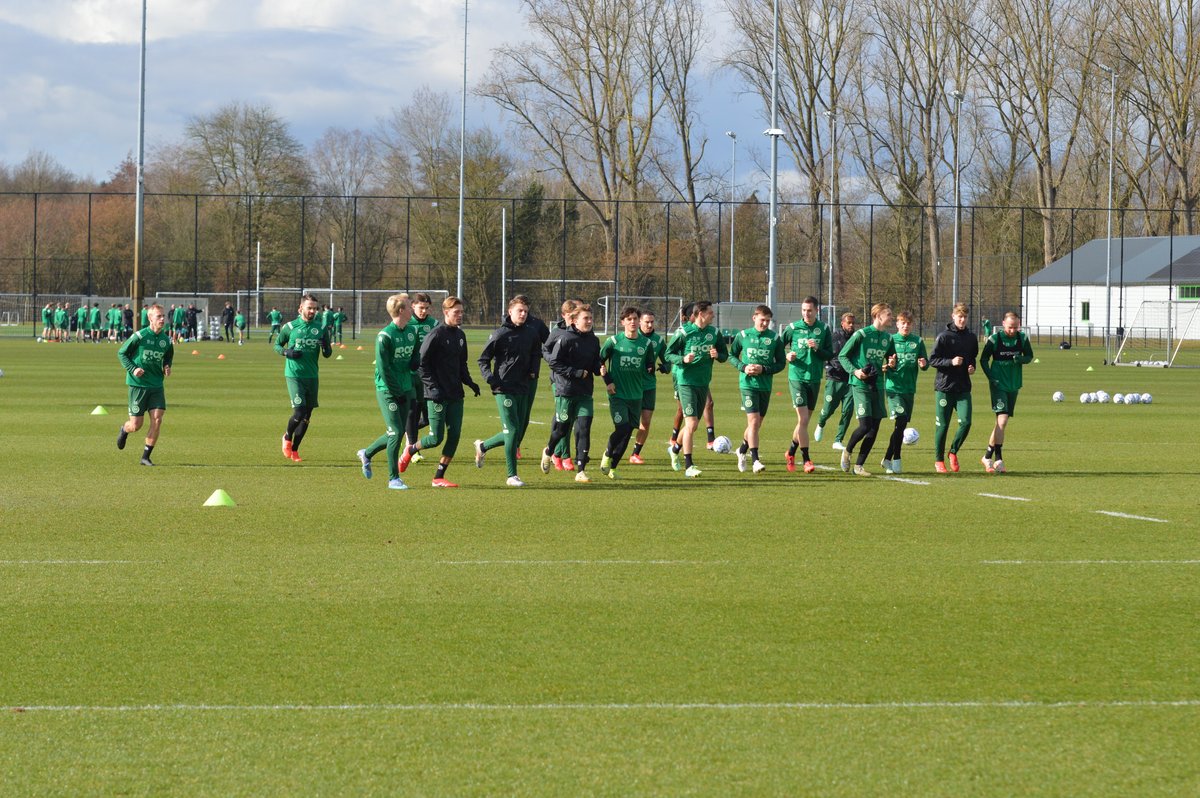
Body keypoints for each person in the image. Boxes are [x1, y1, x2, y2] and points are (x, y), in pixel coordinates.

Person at [399, 297, 480, 487]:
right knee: (436, 438)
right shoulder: (435, 335)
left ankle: (438, 477)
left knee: (455, 436)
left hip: (456, 395)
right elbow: (421, 365)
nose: (460, 315)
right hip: (436, 395)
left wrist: (470, 383)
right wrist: (433, 387)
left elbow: (462, 364)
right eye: (456, 312)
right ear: (446, 313)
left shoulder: (460, 336)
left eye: (461, 312)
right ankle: (410, 450)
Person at [476, 296, 541, 487]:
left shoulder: (531, 333)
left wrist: (533, 372)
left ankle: (483, 446)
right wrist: (491, 379)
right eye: (520, 310)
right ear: (510, 311)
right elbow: (483, 360)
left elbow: (537, 353)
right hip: (503, 388)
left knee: (517, 432)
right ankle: (512, 475)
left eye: (526, 312)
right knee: (512, 430)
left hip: (523, 387)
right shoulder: (499, 334)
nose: (523, 314)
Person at [357, 293, 416, 490]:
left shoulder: (411, 332)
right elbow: (384, 369)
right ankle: (393, 478)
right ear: (401, 310)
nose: (413, 308)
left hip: (406, 388)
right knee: (397, 431)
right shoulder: (385, 336)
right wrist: (396, 391)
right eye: (410, 305)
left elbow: (414, 361)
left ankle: (367, 454)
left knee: (395, 434)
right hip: (388, 390)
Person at [539, 303, 603, 483]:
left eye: (591, 318)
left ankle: (581, 469)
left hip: (585, 392)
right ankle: (549, 450)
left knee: (584, 429)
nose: (589, 321)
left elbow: (595, 362)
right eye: (586, 318)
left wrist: (600, 368)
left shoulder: (593, 340)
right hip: (566, 391)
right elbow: (554, 363)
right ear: (574, 321)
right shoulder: (565, 338)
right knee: (562, 429)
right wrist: (575, 372)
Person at [665, 300, 727, 478]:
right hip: (686, 383)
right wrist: (683, 359)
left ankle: (675, 449)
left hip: (703, 383)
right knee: (691, 424)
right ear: (700, 314)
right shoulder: (684, 332)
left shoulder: (714, 333)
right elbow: (669, 354)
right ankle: (689, 465)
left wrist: (718, 355)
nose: (713, 315)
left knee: (693, 425)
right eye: (710, 312)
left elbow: (724, 354)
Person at [837, 302, 897, 477]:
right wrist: (855, 371)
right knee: (864, 426)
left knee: (874, 427)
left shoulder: (888, 338)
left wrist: (892, 363)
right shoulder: (861, 334)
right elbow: (843, 356)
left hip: (878, 385)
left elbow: (892, 360)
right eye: (889, 315)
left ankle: (859, 466)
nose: (891, 318)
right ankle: (847, 451)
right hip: (860, 385)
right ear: (878, 316)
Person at [275, 293, 333, 462]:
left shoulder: (321, 328)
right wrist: (287, 352)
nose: (312, 311)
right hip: (294, 375)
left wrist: (325, 347)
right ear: (301, 308)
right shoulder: (290, 327)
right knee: (299, 411)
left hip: (312, 376)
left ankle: (295, 449)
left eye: (315, 308)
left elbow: (328, 354)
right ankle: (287, 436)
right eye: (309, 308)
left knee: (307, 416)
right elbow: (277, 345)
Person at [597, 307, 653, 480]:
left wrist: (653, 368)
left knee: (628, 432)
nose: (633, 322)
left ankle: (612, 467)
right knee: (621, 428)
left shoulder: (646, 344)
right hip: (617, 394)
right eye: (629, 319)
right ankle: (607, 454)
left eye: (635, 318)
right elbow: (599, 361)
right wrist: (608, 381)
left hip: (636, 395)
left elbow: (649, 363)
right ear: (622, 323)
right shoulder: (613, 341)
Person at [729, 305, 786, 474]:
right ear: (754, 318)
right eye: (762, 320)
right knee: (753, 422)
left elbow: (781, 363)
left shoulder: (775, 339)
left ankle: (741, 450)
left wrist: (764, 369)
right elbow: (731, 355)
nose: (765, 324)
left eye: (768, 321)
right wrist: (743, 367)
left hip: (765, 386)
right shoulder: (743, 335)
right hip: (747, 385)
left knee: (757, 424)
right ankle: (755, 460)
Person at [780, 296, 833, 474]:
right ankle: (806, 459)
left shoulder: (824, 329)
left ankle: (791, 452)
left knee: (804, 423)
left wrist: (818, 348)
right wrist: (787, 356)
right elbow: (778, 347)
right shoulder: (793, 328)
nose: (806, 313)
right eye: (803, 310)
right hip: (797, 377)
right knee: (802, 420)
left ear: (817, 310)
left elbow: (829, 354)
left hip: (814, 378)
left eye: (809, 310)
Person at [116, 303, 174, 466]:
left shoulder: (166, 340)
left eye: (163, 316)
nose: (162, 319)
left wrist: (167, 366)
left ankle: (145, 457)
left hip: (156, 385)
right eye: (159, 316)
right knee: (136, 425)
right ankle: (124, 429)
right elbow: (122, 353)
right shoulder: (139, 336)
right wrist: (133, 369)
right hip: (138, 385)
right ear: (150, 318)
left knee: (157, 419)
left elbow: (168, 357)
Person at [979, 311, 1034, 474]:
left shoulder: (1022, 338)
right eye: (1010, 327)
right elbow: (983, 360)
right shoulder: (995, 339)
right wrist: (991, 377)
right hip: (998, 384)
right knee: (1001, 420)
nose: (1013, 330)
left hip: (1014, 383)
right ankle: (998, 459)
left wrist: (1021, 359)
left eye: (1016, 327)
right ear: (1003, 324)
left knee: (1001, 423)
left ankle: (989, 457)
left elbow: (1030, 356)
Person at [928, 302, 979, 473]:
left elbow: (972, 359)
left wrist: (972, 367)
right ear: (953, 316)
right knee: (942, 426)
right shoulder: (943, 336)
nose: (962, 320)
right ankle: (938, 460)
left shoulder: (971, 337)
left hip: (963, 387)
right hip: (944, 387)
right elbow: (933, 360)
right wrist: (951, 362)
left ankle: (953, 452)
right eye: (959, 316)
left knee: (966, 422)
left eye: (965, 317)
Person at [880, 310, 928, 475]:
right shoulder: (890, 340)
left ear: (912, 325)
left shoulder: (918, 341)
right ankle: (897, 459)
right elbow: (882, 364)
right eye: (903, 323)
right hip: (894, 388)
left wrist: (923, 364)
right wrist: (888, 365)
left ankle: (886, 458)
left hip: (909, 389)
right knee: (900, 421)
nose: (906, 326)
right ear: (897, 324)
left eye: (908, 323)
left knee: (900, 426)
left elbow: (925, 362)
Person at [542, 299, 582, 470]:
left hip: (578, 380)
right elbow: (545, 350)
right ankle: (563, 455)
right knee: (564, 416)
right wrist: (555, 362)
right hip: (559, 380)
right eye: (570, 315)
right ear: (565, 315)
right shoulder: (557, 331)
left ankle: (556, 452)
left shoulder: (583, 331)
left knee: (567, 417)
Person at [628, 309, 669, 464]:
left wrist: (666, 367)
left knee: (645, 421)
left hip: (649, 386)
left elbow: (668, 358)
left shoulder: (658, 341)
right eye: (647, 322)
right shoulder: (631, 338)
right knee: (629, 423)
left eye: (652, 322)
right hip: (631, 385)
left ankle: (635, 454)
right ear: (639, 322)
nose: (650, 325)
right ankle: (615, 449)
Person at [403, 292, 439, 463]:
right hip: (410, 375)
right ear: (413, 306)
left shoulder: (434, 324)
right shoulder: (407, 323)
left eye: (426, 308)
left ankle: (405, 433)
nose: (423, 311)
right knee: (413, 411)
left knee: (427, 418)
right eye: (420, 308)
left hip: (429, 376)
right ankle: (412, 448)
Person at [814, 312, 856, 450]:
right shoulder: (834, 337)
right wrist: (827, 366)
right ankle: (820, 424)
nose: (851, 325)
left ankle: (838, 440)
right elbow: (825, 353)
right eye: (848, 322)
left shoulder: (857, 338)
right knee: (828, 410)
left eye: (853, 323)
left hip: (850, 379)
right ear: (842, 323)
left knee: (848, 411)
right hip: (835, 378)